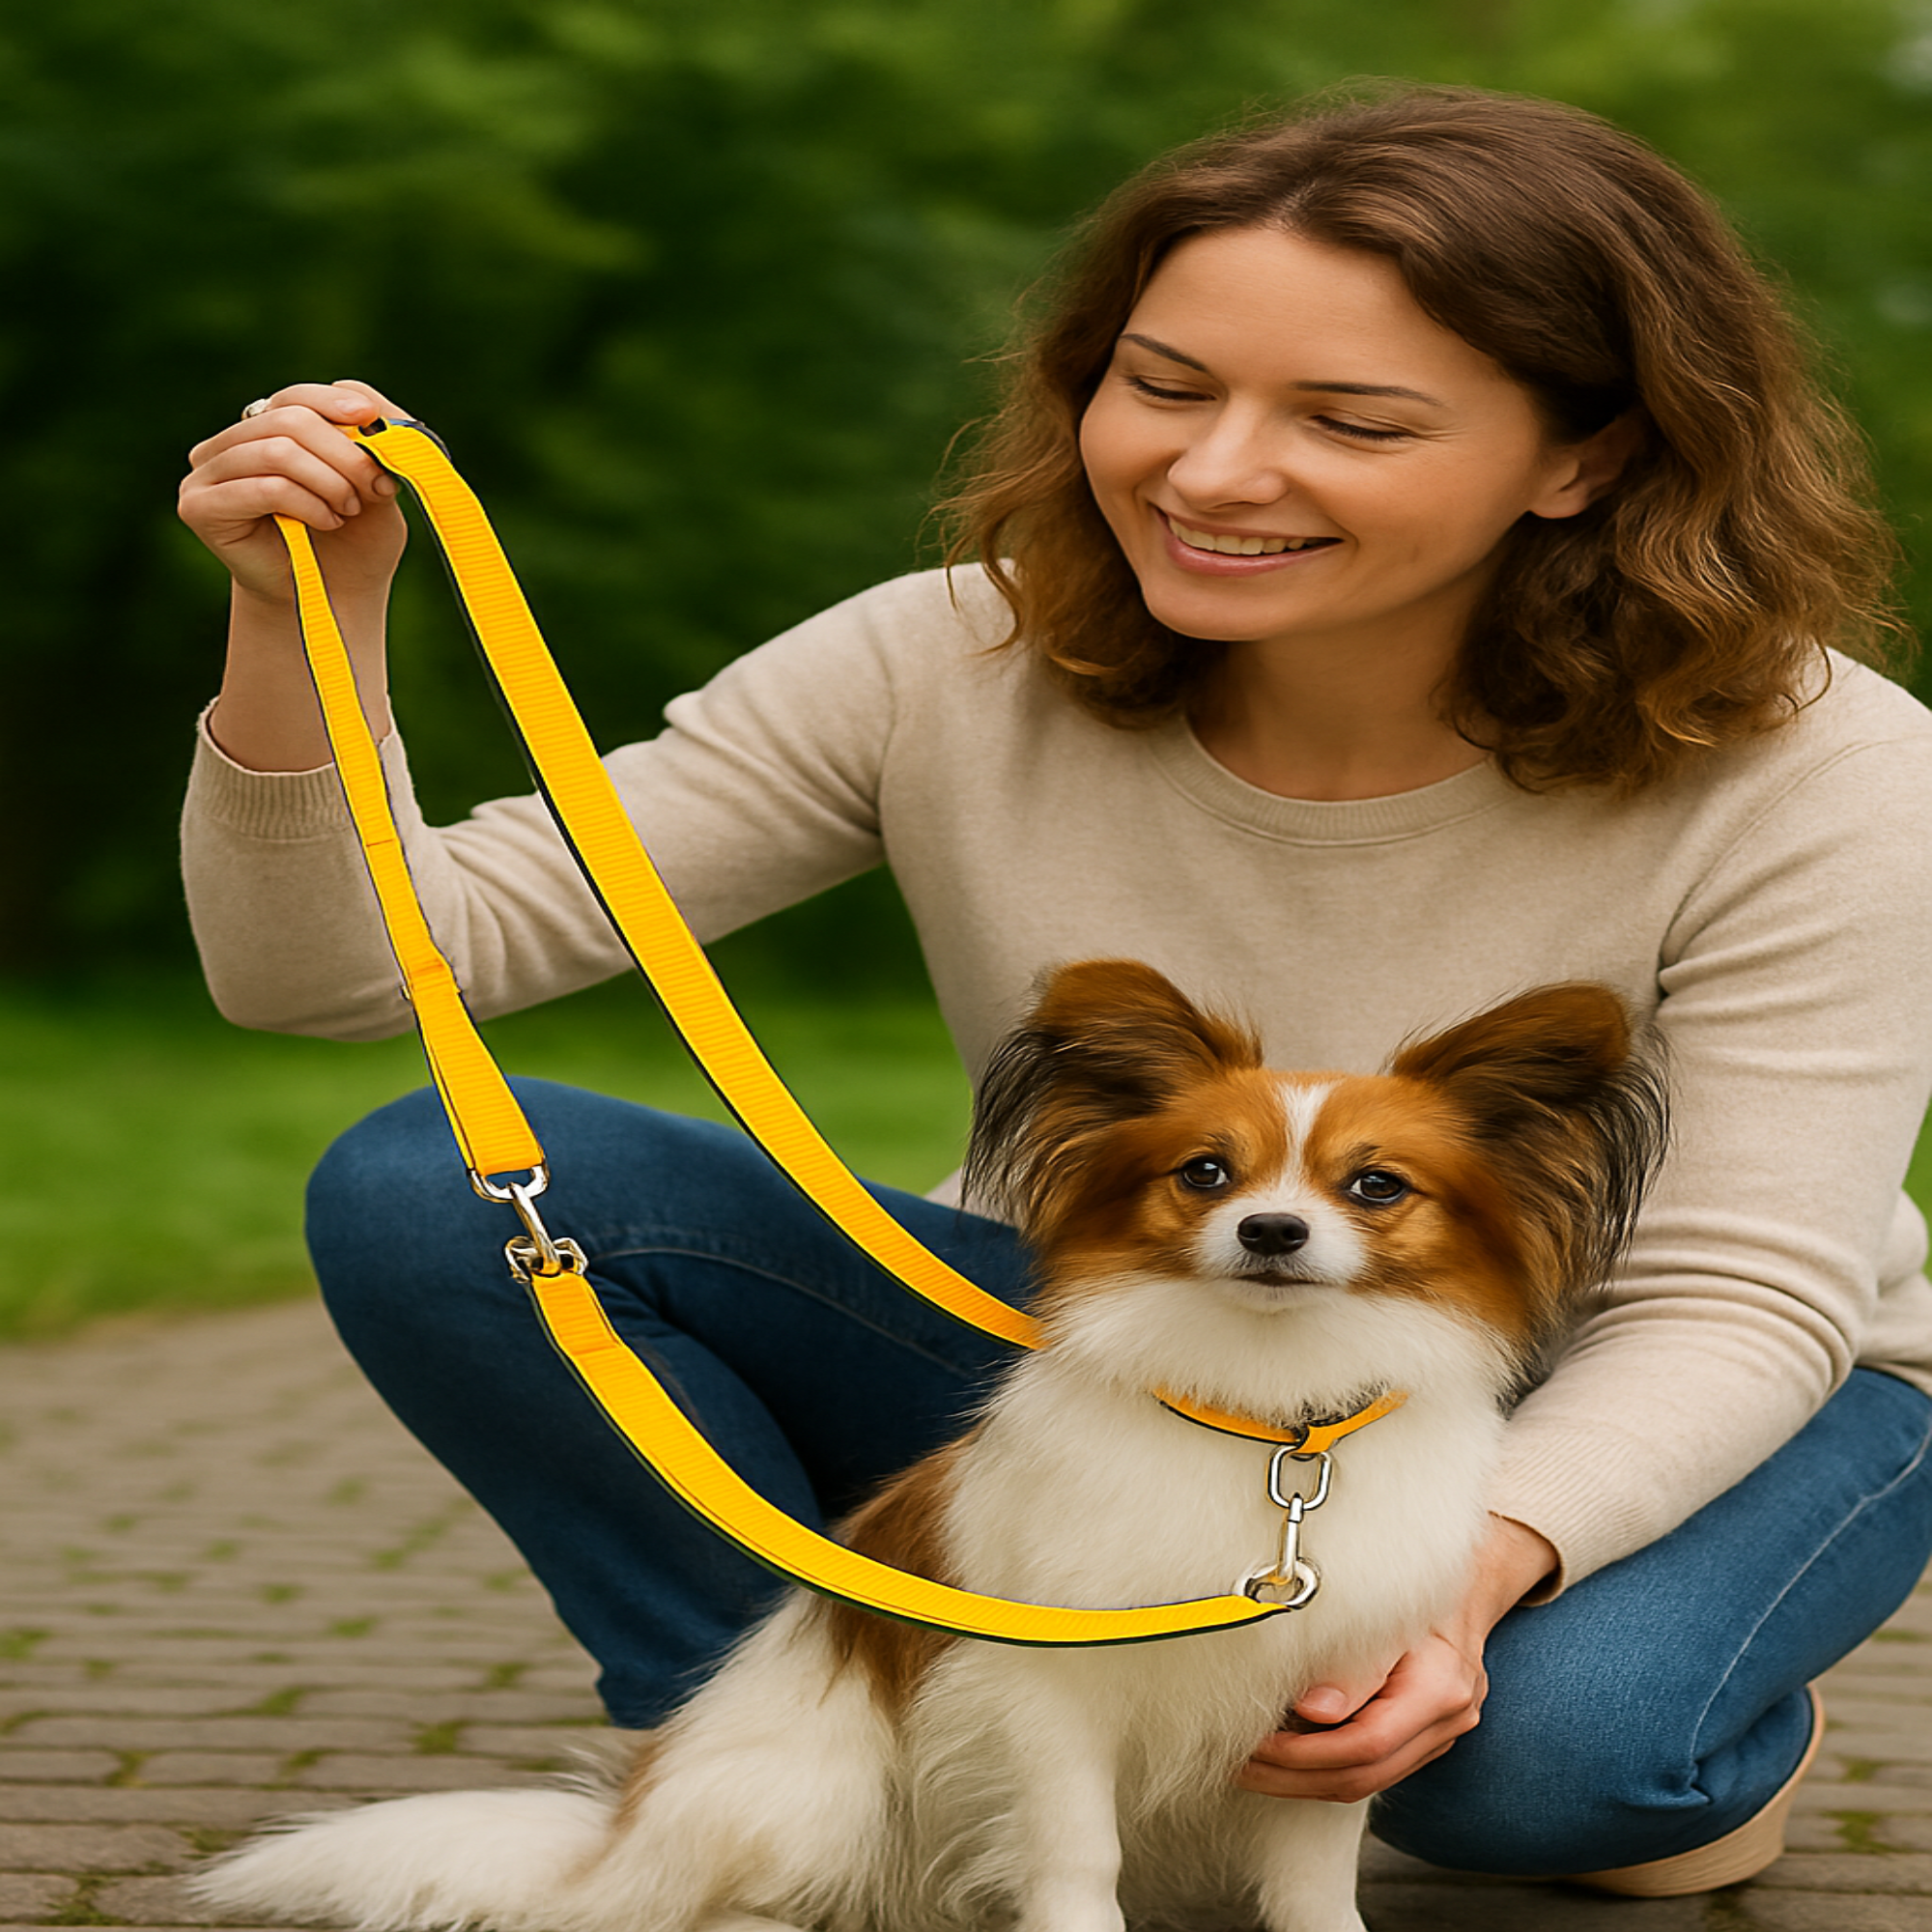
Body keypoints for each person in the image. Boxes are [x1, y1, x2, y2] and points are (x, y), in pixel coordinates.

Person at [178, 85, 1932, 1897]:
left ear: (1584, 457)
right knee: (439, 1187)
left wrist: (1455, 1583)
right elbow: (348, 970)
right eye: (1165, 384)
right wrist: (301, 614)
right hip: (1125, 1347)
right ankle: (788, 1752)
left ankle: (1698, 1720)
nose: (1215, 470)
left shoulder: (1830, 772)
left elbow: (1739, 1299)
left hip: (1654, 1386)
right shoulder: (946, 656)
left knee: (1540, 1777)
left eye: (1349, 419)